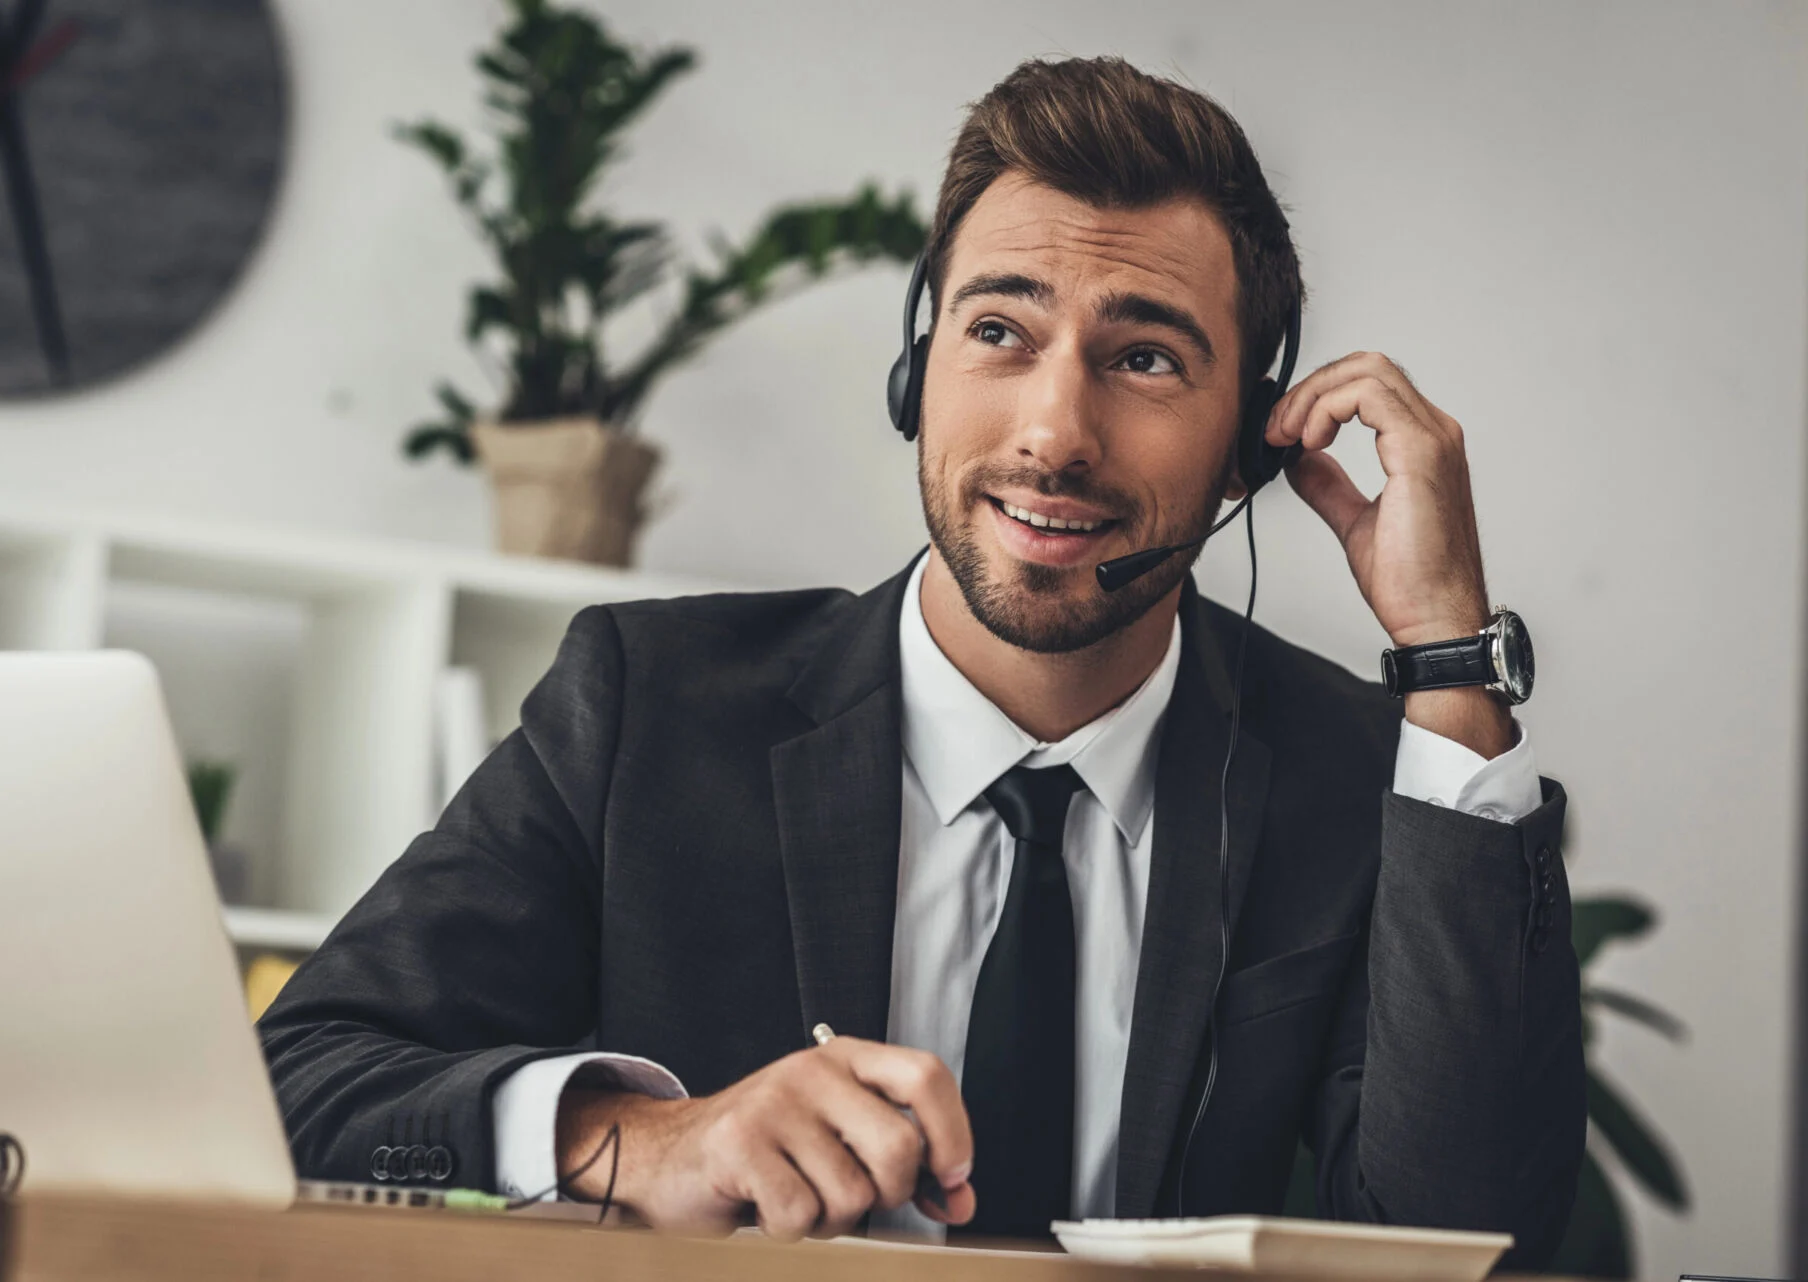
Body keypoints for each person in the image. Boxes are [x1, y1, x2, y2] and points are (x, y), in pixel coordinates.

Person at [260, 55, 1583, 1265]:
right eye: (1000, 332)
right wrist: (646, 1139)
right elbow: (296, 1085)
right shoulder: (644, 708)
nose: (1055, 432)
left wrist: (1447, 654)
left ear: (1250, 443)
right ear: (918, 369)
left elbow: (1481, 1241)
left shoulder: (1353, 775)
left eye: (1144, 357)